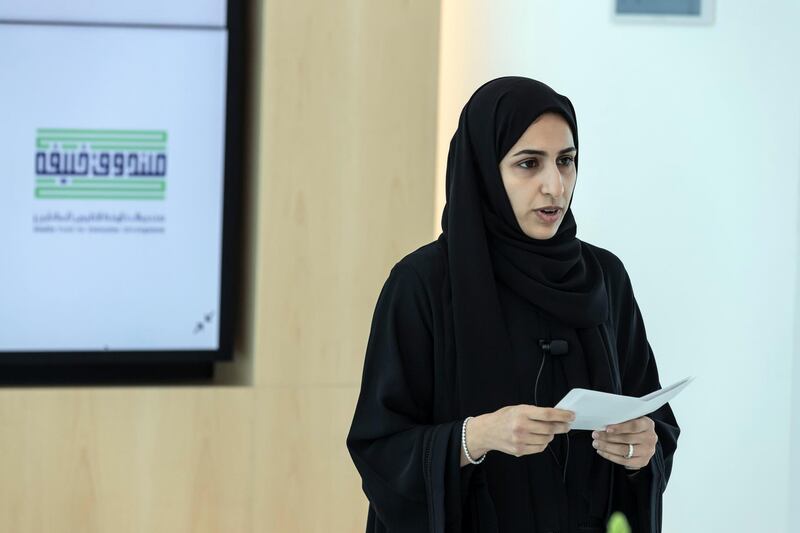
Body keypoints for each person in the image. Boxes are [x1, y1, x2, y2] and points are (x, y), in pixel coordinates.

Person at [346, 77, 680, 533]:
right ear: (484, 170)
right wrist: (475, 437)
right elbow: (379, 447)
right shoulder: (422, 284)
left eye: (566, 161)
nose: (555, 186)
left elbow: (655, 420)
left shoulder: (605, 277)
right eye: (528, 164)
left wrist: (643, 447)